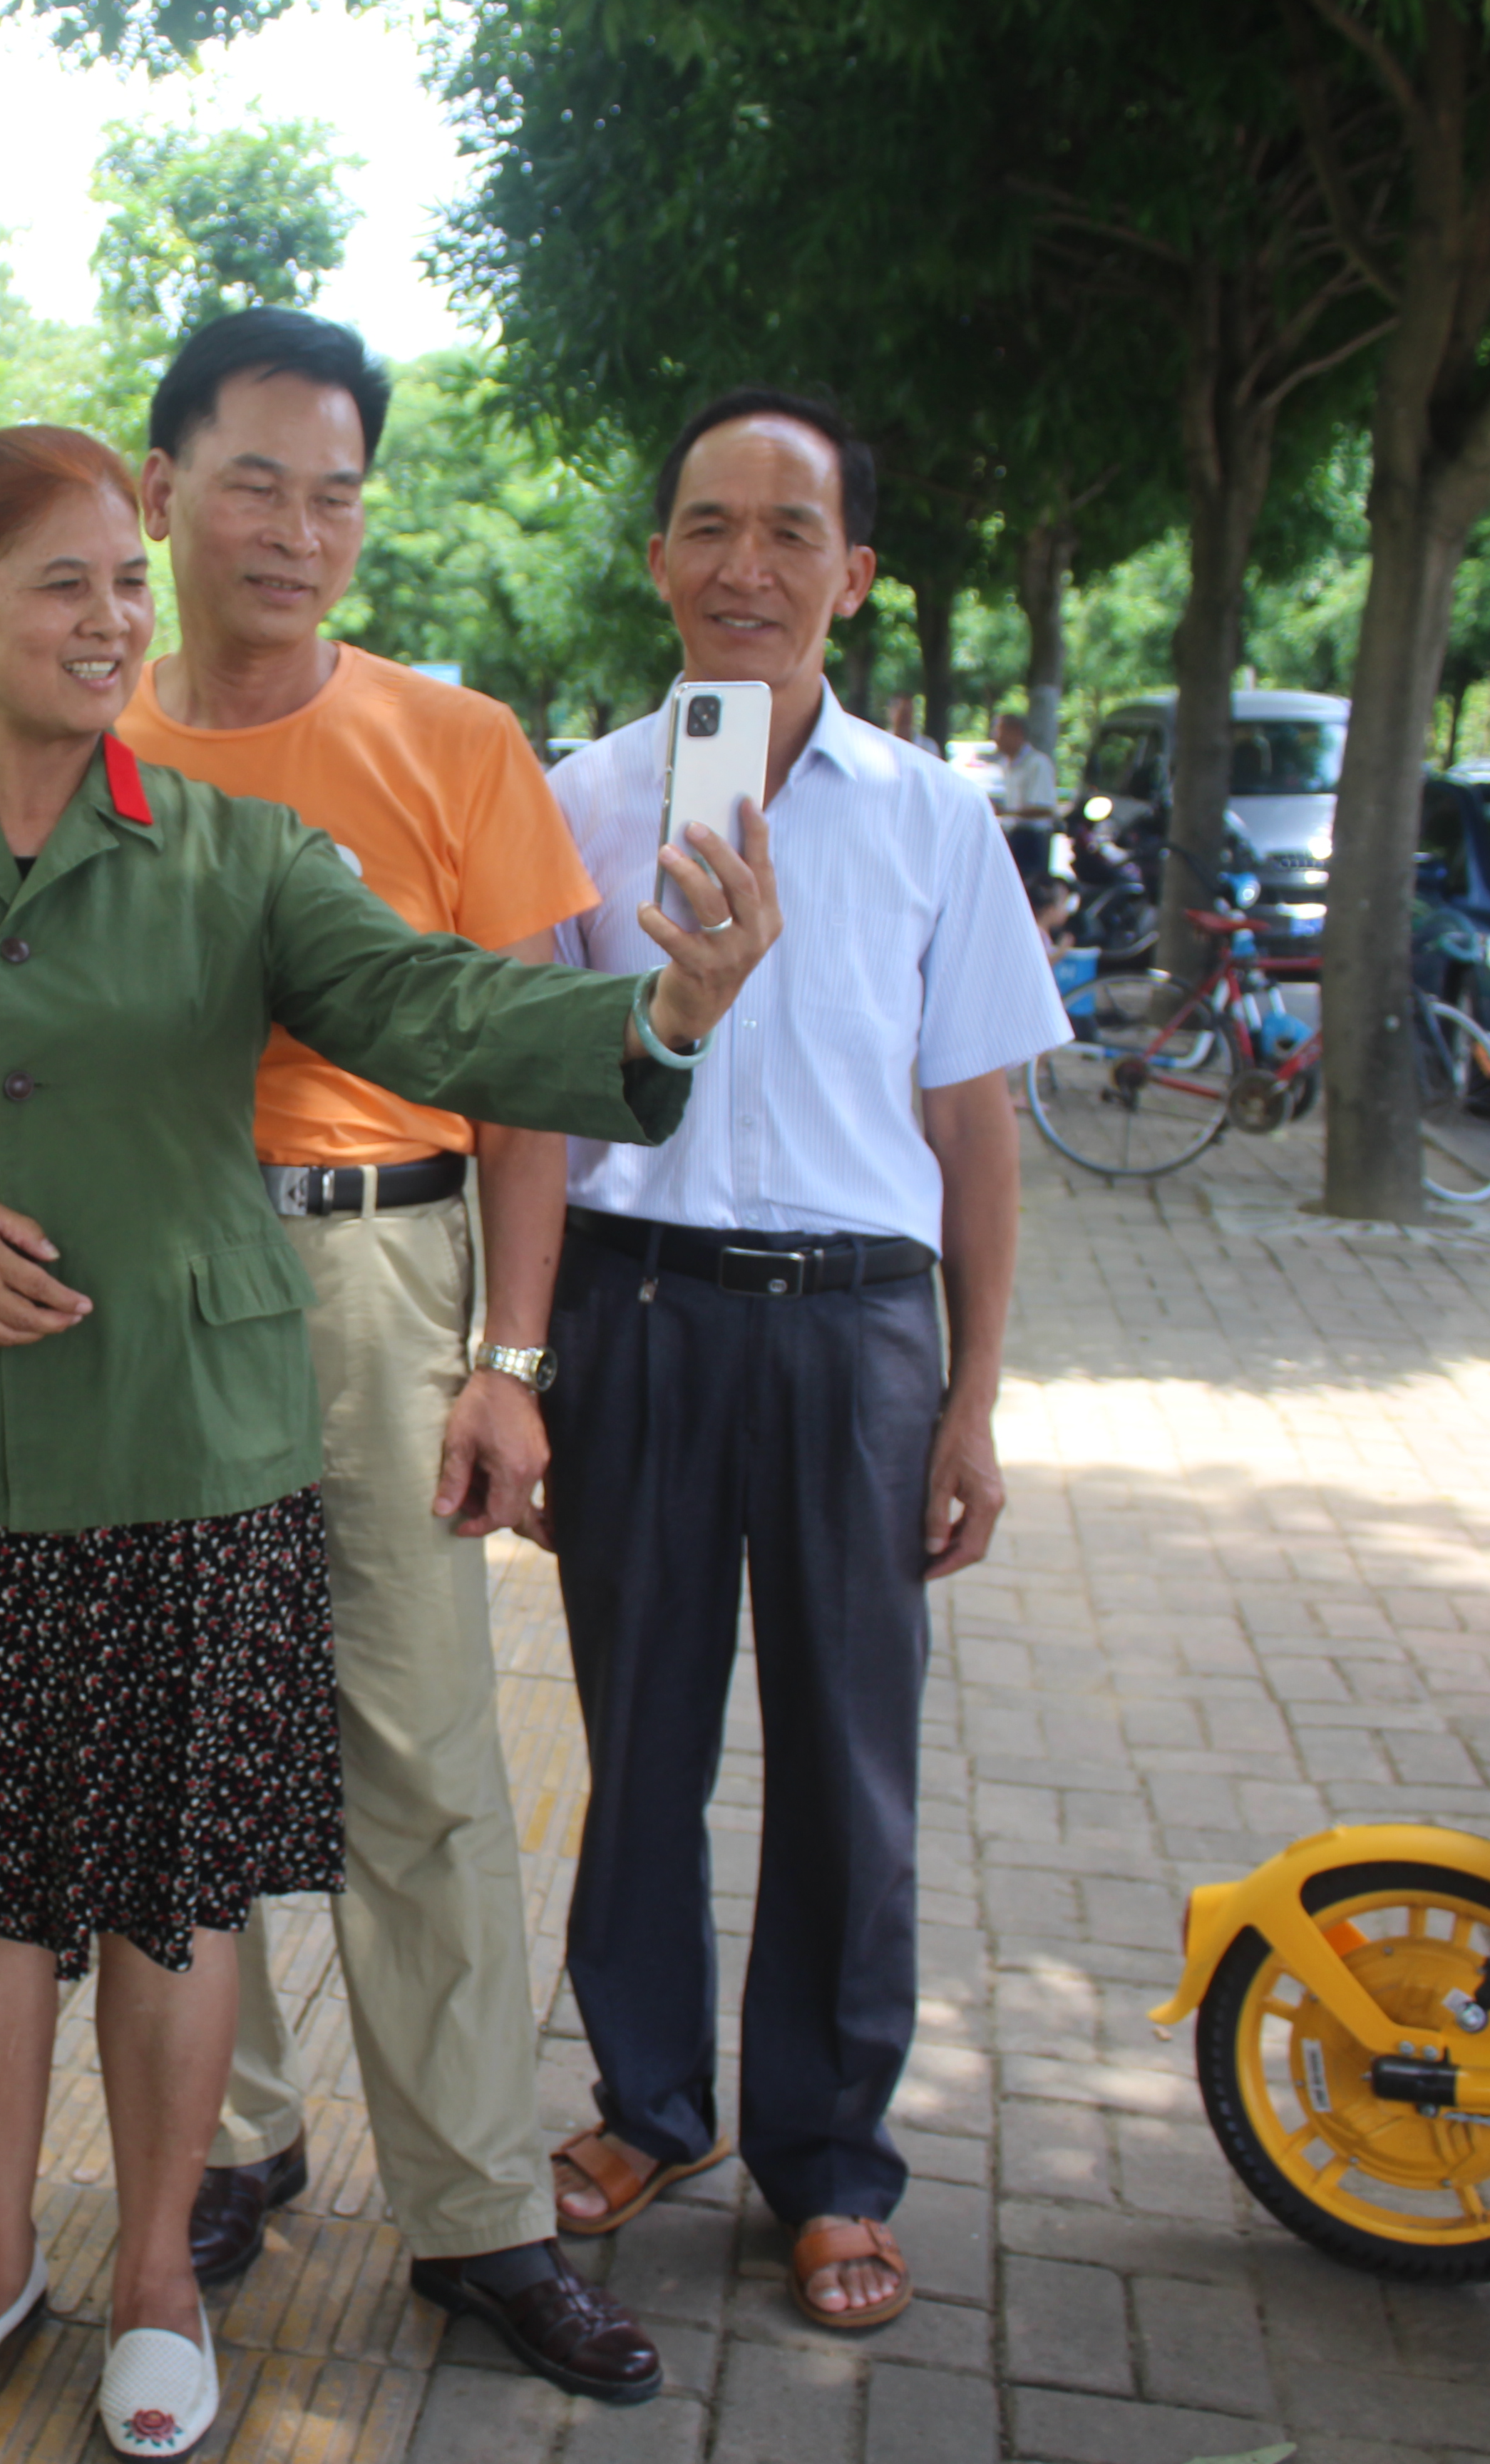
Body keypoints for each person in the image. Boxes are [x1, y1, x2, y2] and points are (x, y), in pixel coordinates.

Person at [0, 424, 774, 2459]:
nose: (113, 621)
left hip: (187, 1444)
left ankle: (162, 2275)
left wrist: (663, 1023)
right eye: (62, 586)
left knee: (167, 1894)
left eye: (121, 579)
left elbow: (440, 1017)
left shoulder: (231, 853)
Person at [111, 307, 664, 2406]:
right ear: (160, 493)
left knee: (425, 1764)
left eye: (335, 491)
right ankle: (226, 2148)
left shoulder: (455, 744)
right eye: (255, 480)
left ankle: (478, 2216)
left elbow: (533, 1087)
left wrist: (509, 1356)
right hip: (146, 1296)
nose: (298, 528)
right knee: (181, 1743)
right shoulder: (80, 742)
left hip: (385, 1281)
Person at [535, 389, 1067, 2333]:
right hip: (639, 1314)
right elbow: (529, 1113)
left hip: (856, 1334)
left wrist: (976, 1397)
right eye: (708, 525)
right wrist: (519, 1360)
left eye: (790, 530)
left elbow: (976, 1131)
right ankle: (651, 2103)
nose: (745, 564)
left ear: (853, 574)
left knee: (850, 1763)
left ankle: (833, 2160)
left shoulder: (933, 815)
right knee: (640, 1744)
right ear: (660, 558)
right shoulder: (576, 800)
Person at [990, 709, 1062, 891]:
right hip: (1012, 836)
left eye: (999, 731)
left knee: (1030, 891)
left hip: (1032, 839)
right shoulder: (1006, 765)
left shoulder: (1037, 764)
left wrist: (1006, 811)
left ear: (1016, 733)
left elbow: (1045, 808)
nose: (995, 737)